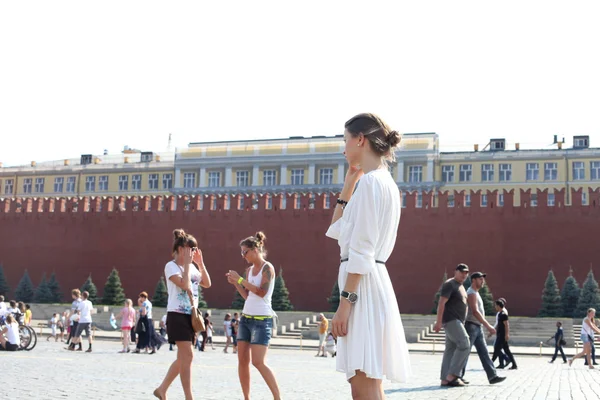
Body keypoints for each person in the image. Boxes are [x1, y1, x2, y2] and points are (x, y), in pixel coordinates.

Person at [325, 113, 411, 399]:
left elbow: (361, 249)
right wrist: (349, 183)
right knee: (367, 381)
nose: (344, 147)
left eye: (346, 139)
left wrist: (345, 304)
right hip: (370, 283)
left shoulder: (372, 185)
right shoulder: (381, 183)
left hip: (361, 289)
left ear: (360, 139)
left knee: (363, 383)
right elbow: (337, 230)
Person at [154, 229, 211, 400]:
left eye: (194, 249)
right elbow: (185, 284)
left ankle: (162, 389)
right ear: (180, 249)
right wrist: (186, 265)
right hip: (177, 315)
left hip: (191, 316)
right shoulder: (171, 266)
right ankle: (189, 397)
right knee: (188, 355)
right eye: (190, 249)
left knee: (182, 358)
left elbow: (207, 283)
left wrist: (200, 264)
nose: (193, 252)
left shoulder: (193, 267)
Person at [226, 231, 281, 400]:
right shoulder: (249, 270)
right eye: (242, 252)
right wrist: (236, 284)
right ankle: (246, 397)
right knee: (242, 361)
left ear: (255, 249)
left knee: (258, 362)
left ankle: (278, 397)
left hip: (262, 321)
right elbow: (248, 296)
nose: (243, 256)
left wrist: (241, 280)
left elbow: (262, 292)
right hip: (246, 319)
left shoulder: (267, 268)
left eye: (245, 252)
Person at [462, 272, 506, 384]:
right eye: (480, 279)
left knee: (484, 352)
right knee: (465, 352)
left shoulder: (476, 293)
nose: (483, 281)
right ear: (473, 280)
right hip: (471, 325)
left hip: (477, 327)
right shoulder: (471, 293)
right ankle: (458, 376)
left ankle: (492, 376)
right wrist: (489, 326)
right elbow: (475, 312)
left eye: (483, 279)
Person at [434, 264, 470, 387]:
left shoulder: (461, 286)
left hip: (458, 321)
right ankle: (453, 375)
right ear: (455, 271)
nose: (464, 275)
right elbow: (441, 303)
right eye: (461, 272)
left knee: (450, 349)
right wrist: (438, 322)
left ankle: (444, 379)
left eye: (466, 273)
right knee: (465, 344)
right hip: (451, 320)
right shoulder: (450, 284)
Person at [492, 300, 517, 370]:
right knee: (506, 351)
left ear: (499, 306)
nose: (495, 307)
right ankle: (514, 364)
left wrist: (507, 334)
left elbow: (506, 325)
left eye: (495, 305)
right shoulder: (500, 314)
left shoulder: (503, 314)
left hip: (502, 336)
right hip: (500, 334)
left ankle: (490, 364)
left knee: (496, 349)